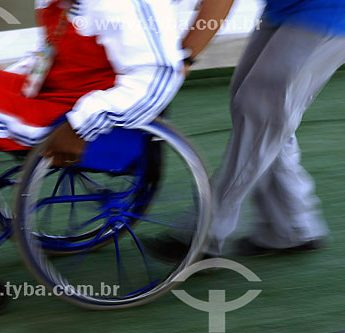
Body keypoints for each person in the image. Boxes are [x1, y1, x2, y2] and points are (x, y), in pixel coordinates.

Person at [0, 0, 232, 267]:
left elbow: (157, 79)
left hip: (88, 114)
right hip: (55, 92)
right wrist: (16, 82)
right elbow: (53, 51)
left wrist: (79, 125)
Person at [145, 0, 345, 260]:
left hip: (329, 11)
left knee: (260, 107)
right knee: (256, 107)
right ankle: (290, 224)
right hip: (284, 7)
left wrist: (184, 58)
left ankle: (205, 231)